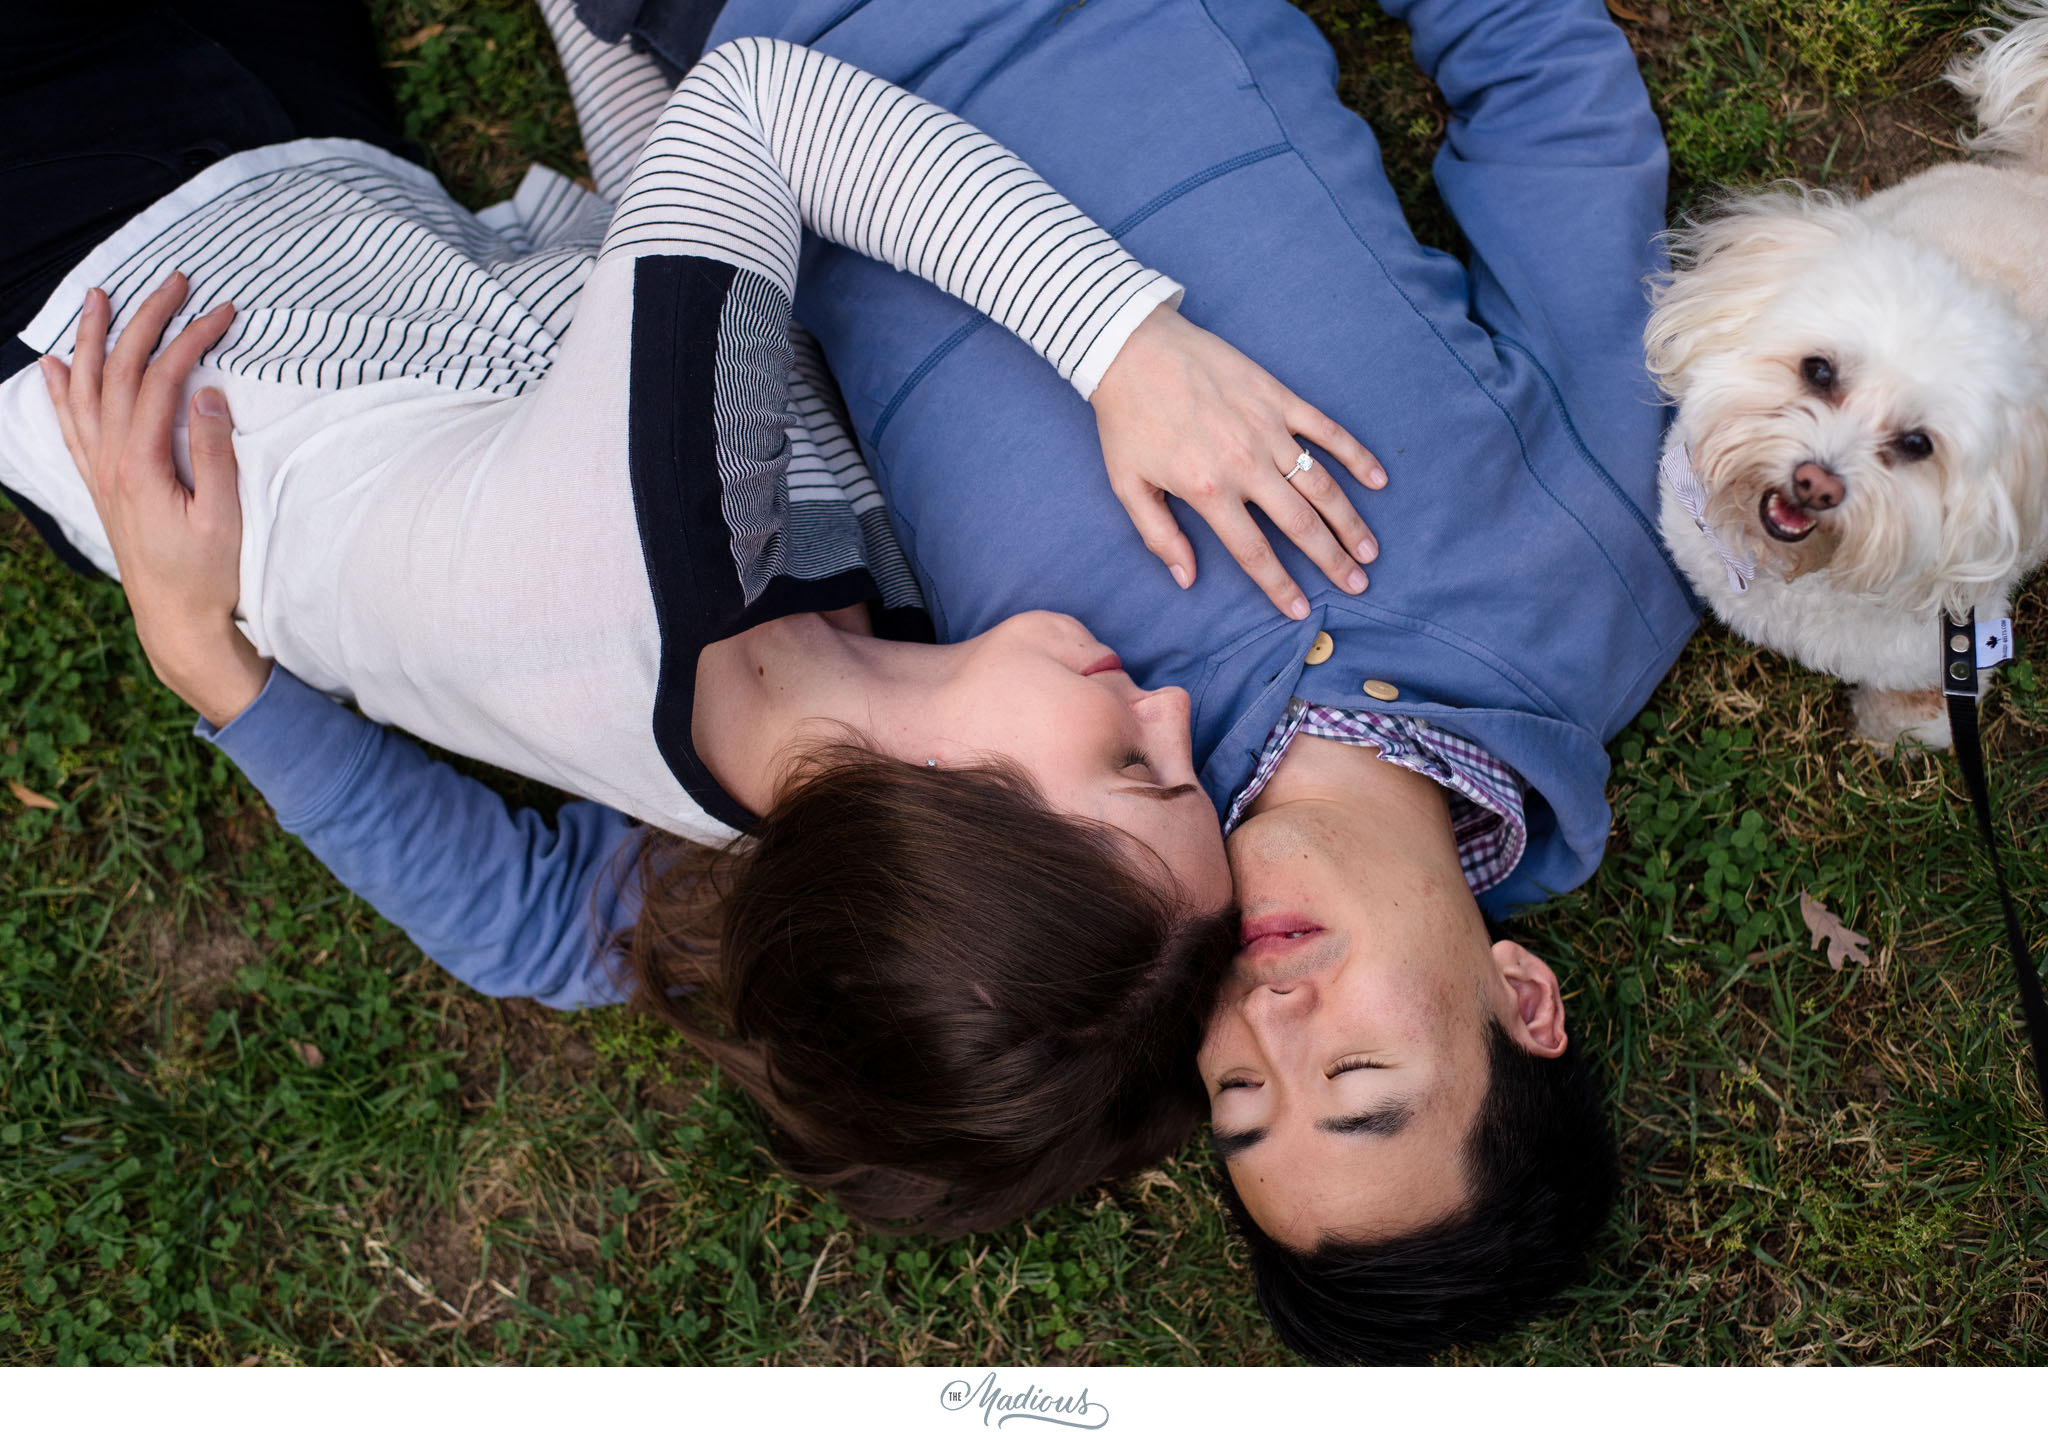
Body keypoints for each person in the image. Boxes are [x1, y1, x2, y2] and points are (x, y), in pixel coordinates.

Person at [0, 2, 1392, 1233]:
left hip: (100, 250)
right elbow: (535, 936)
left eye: (1132, 767)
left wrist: (1121, 344)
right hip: (320, 214)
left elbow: (755, 113)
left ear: (949, 820)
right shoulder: (789, 782)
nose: (1170, 708)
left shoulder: (657, 534)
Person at [627, 0, 1699, 1360]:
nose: (1276, 1020)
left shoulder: (1046, 838)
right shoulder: (1603, 566)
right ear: (1522, 1000)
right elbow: (1549, 99)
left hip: (737, 70)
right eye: (1359, 1077)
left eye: (1244, 1096)